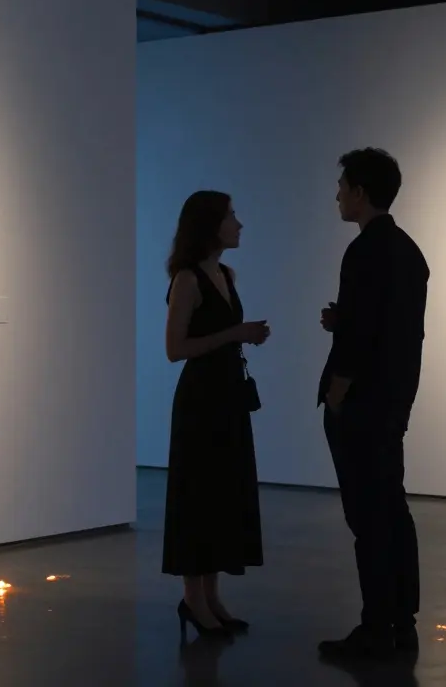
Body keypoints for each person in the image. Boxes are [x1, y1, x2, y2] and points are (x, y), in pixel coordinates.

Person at [316, 148, 429, 661]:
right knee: (393, 510)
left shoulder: (362, 252)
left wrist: (339, 391)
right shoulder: (409, 251)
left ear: (361, 192)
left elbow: (364, 339)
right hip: (392, 403)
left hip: (362, 406)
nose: (338, 194)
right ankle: (402, 622)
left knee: (368, 518)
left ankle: (374, 627)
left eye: (343, 185)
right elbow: (397, 331)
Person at [161, 190, 270, 640]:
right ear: (210, 225)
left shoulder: (225, 273)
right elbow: (174, 349)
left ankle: (211, 597)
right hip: (201, 400)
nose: (239, 224)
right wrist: (235, 334)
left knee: (222, 494)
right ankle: (193, 599)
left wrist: (241, 336)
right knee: (198, 496)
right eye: (231, 217)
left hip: (226, 397)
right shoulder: (187, 280)